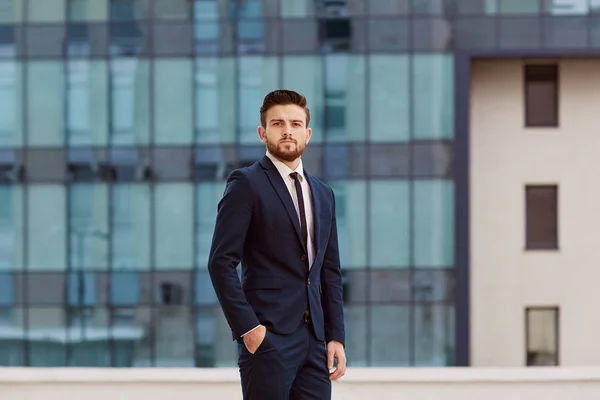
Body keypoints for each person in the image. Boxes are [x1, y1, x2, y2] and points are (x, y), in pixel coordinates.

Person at [208, 89, 347, 399]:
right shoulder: (246, 184)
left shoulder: (324, 193)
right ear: (263, 132)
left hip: (315, 341)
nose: (287, 131)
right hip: (268, 338)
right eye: (278, 123)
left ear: (307, 134)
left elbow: (330, 271)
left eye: (296, 124)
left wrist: (335, 336)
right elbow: (220, 263)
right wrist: (249, 329)